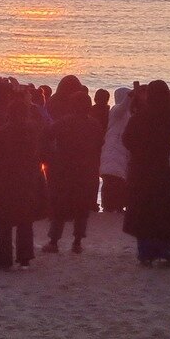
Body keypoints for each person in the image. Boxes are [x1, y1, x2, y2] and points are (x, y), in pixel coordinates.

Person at [123, 81, 170, 265]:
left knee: (144, 211)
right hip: (167, 170)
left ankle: (145, 253)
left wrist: (140, 151)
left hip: (142, 170)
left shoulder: (140, 116)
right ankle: (165, 252)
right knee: (165, 211)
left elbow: (126, 139)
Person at [0, 91, 45, 270]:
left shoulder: (2, 132)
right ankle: (24, 258)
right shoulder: (32, 130)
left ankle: (4, 260)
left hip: (6, 180)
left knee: (5, 223)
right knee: (25, 220)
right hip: (27, 179)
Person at [43, 90, 102, 254]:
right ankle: (77, 242)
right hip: (86, 170)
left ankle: (54, 241)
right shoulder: (94, 125)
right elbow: (99, 146)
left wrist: (50, 157)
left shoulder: (63, 122)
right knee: (82, 207)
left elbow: (46, 136)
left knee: (59, 206)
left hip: (64, 169)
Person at [98, 87, 132, 213]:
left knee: (116, 180)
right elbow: (122, 107)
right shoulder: (115, 110)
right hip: (113, 150)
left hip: (118, 151)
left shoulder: (128, 113)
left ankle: (115, 205)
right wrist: (130, 96)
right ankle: (109, 206)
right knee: (112, 179)